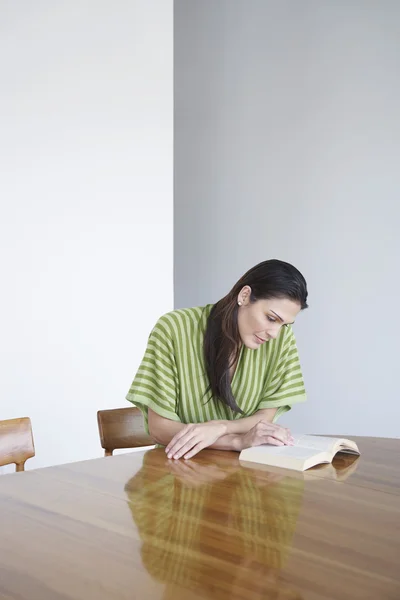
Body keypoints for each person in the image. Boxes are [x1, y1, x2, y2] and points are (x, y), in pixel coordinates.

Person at [126, 259, 308, 460]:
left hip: (245, 472)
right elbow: (160, 428)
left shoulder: (280, 340)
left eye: (284, 324)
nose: (275, 333)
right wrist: (234, 441)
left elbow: (265, 417)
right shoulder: (173, 329)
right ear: (245, 295)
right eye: (272, 318)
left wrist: (220, 427)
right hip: (178, 469)